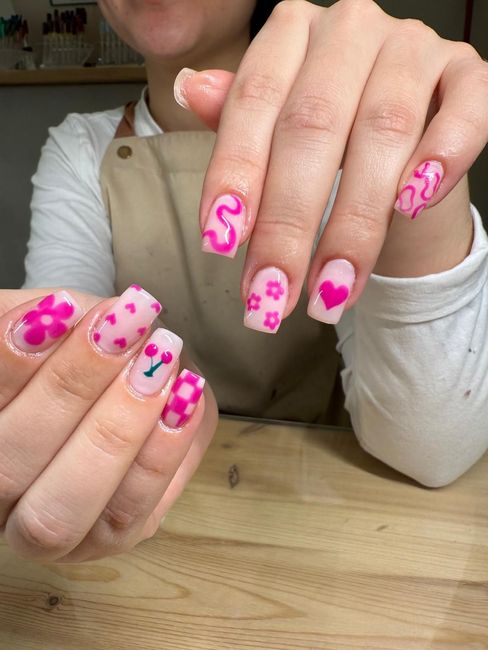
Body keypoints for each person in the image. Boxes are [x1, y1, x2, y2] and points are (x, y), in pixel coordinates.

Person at [1, 0, 487, 563]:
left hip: (348, 525)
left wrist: (417, 180)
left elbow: (429, 451)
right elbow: (63, 358)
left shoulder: (357, 131)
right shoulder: (80, 147)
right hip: (156, 541)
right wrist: (64, 383)